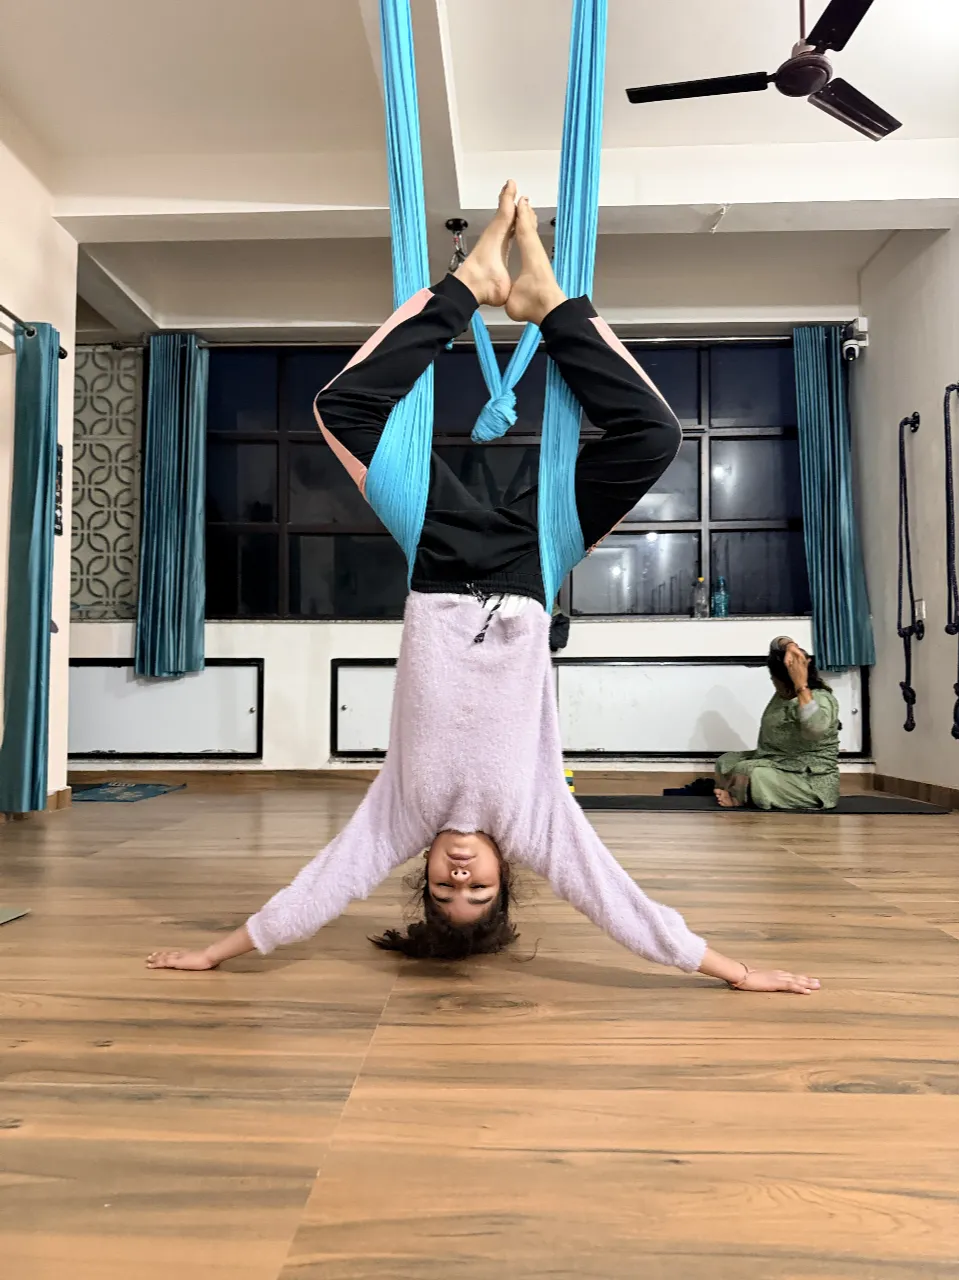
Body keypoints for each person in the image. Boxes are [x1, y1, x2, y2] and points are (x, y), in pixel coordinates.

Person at [147, 185, 819, 996]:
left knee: (341, 408)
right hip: (532, 559)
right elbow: (617, 901)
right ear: (507, 877)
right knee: (655, 436)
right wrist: (732, 970)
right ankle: (548, 304)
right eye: (478, 892)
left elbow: (319, 891)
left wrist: (218, 952)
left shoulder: (399, 817)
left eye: (442, 891)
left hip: (436, 554)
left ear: (422, 877)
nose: (459, 878)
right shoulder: (534, 822)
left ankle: (467, 287)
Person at [714, 636, 840, 811]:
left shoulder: (819, 698)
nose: (773, 682)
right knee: (727, 761)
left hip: (806, 777)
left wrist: (801, 685)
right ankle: (741, 791)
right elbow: (776, 642)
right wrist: (790, 646)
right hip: (774, 760)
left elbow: (815, 728)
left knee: (752, 772)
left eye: (774, 678)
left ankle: (739, 798)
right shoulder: (784, 694)